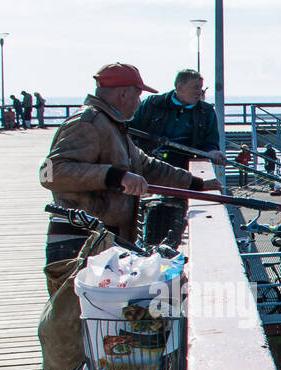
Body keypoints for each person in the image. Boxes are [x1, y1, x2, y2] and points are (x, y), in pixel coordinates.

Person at [40, 62, 219, 265]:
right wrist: (117, 176)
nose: (139, 102)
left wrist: (196, 184)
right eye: (137, 95)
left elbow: (147, 165)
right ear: (123, 94)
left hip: (103, 239)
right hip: (79, 241)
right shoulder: (88, 122)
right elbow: (50, 172)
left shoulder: (111, 125)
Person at [129, 69, 224, 246]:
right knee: (150, 220)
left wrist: (212, 152)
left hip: (182, 173)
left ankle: (170, 248)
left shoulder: (205, 111)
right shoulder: (153, 104)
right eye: (195, 88)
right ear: (179, 86)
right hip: (150, 171)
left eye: (201, 88)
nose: (199, 92)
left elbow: (210, 141)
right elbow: (130, 130)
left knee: (174, 222)